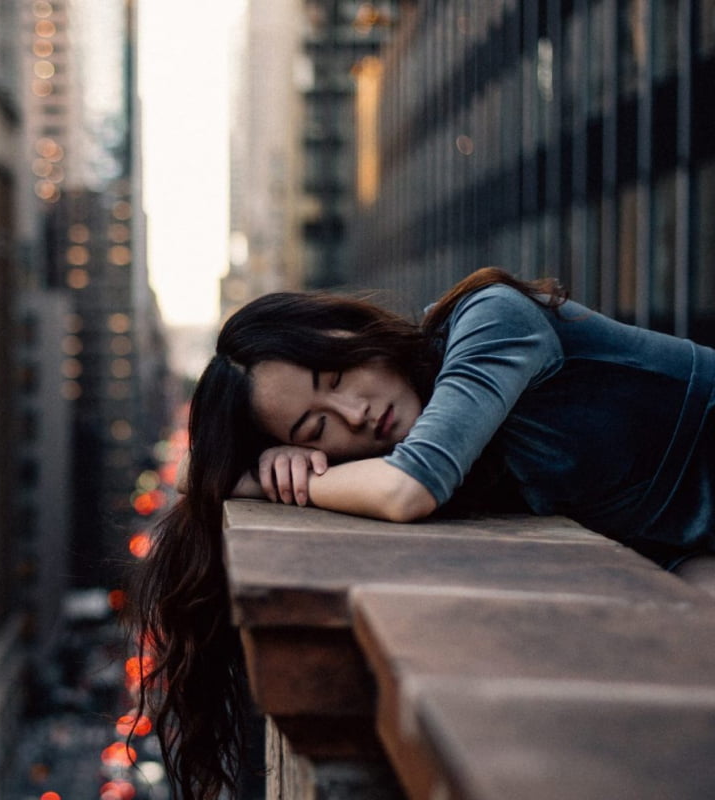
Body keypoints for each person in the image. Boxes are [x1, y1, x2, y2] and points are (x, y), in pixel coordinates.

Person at [127, 267, 715, 800]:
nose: (354, 414)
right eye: (316, 427)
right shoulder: (457, 443)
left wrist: (266, 482)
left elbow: (408, 489)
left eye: (336, 374)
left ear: (354, 331)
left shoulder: (491, 319)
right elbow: (191, 476)